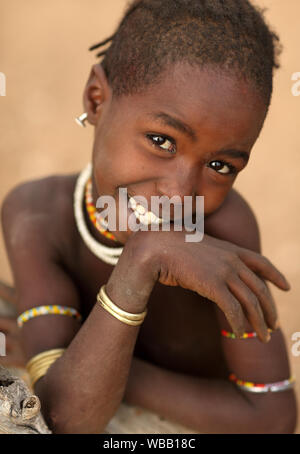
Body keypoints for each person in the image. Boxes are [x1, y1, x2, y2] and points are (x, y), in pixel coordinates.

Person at [0, 0, 297, 434]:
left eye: (220, 167)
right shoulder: (37, 215)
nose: (178, 194)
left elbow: (273, 418)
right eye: (162, 140)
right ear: (96, 100)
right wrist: (142, 258)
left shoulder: (224, 229)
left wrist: (143, 258)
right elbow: (64, 416)